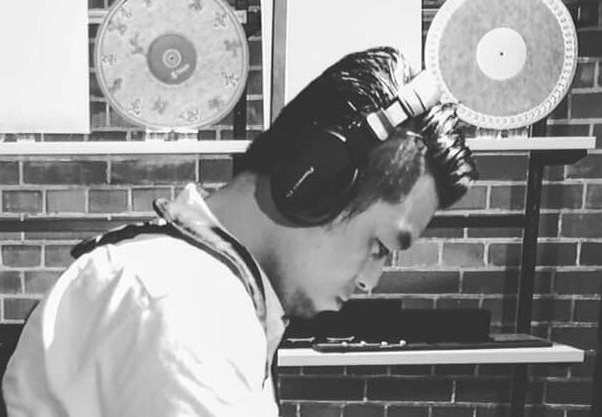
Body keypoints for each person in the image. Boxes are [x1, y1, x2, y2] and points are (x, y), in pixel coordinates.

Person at [2, 46, 477, 416]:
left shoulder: (195, 284)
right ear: (315, 180)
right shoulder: (186, 307)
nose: (370, 282)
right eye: (379, 247)